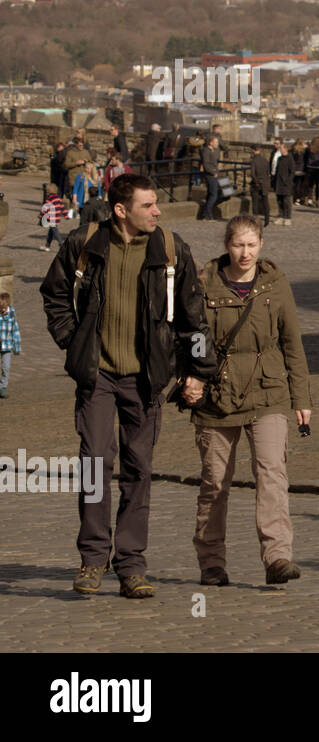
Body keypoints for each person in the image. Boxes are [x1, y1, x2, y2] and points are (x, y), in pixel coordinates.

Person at [39, 173, 217, 598]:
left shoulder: (172, 251)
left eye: (157, 204)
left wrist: (197, 370)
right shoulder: (85, 243)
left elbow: (195, 318)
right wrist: (74, 343)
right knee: (95, 466)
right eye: (148, 205)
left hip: (146, 379)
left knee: (138, 472)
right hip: (97, 377)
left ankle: (132, 566)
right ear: (121, 210)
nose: (157, 211)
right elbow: (55, 295)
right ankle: (92, 560)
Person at [191, 215, 312, 586]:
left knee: (272, 473)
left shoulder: (275, 283)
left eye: (252, 245)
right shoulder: (205, 283)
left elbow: (292, 341)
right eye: (238, 245)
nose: (245, 253)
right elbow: (191, 337)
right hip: (217, 395)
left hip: (268, 391)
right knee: (215, 482)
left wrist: (301, 398)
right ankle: (212, 562)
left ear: (261, 244)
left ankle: (278, 557)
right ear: (227, 245)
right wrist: (190, 377)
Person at [0, 292, 19, 399]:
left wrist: (16, 345)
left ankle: (3, 387)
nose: (2, 310)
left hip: (6, 345)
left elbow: (15, 329)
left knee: (6, 367)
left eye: (4, 308)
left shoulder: (12, 312)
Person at [248, 144, 272, 228]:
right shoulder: (265, 160)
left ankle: (255, 220)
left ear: (253, 150)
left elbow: (252, 174)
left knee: (255, 202)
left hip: (257, 184)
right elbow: (268, 172)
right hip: (265, 183)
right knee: (265, 201)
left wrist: (256, 182)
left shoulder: (254, 160)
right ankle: (267, 219)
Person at [200, 134, 222, 221]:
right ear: (210, 142)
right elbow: (206, 164)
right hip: (210, 175)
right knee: (213, 194)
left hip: (215, 173)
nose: (217, 143)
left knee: (213, 194)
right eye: (216, 142)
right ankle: (208, 214)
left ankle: (206, 213)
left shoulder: (215, 150)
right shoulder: (205, 151)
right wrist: (213, 172)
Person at [272, 140, 294, 225]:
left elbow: (292, 172)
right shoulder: (280, 158)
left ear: (285, 149)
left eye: (281, 148)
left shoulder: (290, 158)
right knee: (279, 200)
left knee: (286, 201)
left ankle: (287, 218)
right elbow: (277, 170)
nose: (280, 149)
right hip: (278, 182)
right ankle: (281, 216)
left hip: (286, 184)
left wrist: (287, 181)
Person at [39, 185, 67, 251]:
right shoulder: (58, 198)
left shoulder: (49, 199)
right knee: (51, 232)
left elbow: (44, 209)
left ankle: (61, 244)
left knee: (55, 232)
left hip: (51, 219)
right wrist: (66, 215)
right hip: (56, 218)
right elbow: (62, 207)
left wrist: (40, 216)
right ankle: (47, 246)